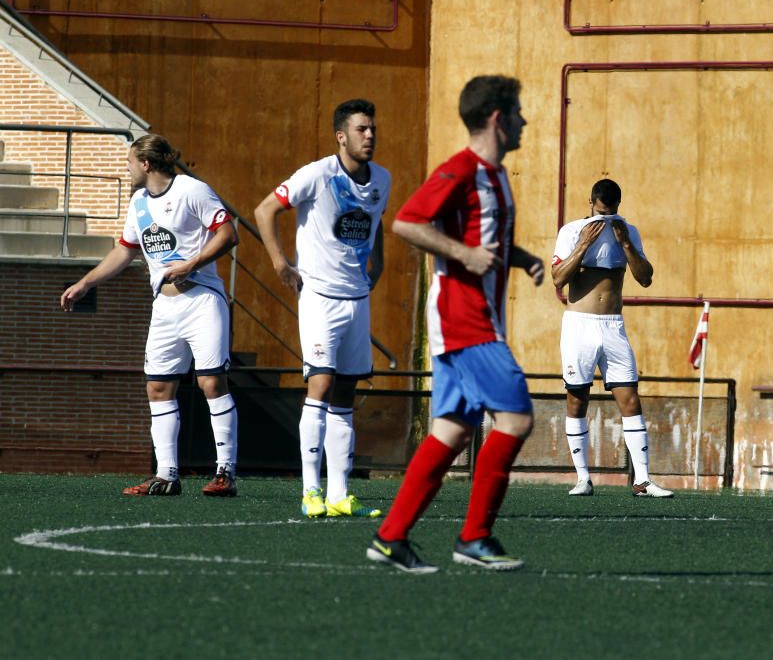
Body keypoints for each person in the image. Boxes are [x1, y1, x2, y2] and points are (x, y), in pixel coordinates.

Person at [366, 75, 544, 574]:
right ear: (497, 118)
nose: (524, 121)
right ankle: (474, 537)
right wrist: (464, 253)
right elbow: (406, 222)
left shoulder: (497, 175)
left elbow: (482, 238)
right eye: (518, 112)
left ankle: (391, 537)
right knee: (515, 419)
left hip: (479, 321)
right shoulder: (461, 169)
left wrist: (521, 257)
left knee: (452, 429)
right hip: (464, 322)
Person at [61, 134, 240, 497]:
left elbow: (228, 233)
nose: (126, 170)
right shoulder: (139, 203)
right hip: (164, 306)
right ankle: (166, 475)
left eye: (129, 162)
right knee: (158, 387)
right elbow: (124, 252)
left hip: (203, 301)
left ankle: (226, 473)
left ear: (146, 164)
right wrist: (86, 282)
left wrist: (192, 263)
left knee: (210, 384)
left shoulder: (192, 190)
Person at [254, 99, 390, 519]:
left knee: (347, 392)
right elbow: (264, 210)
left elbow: (376, 217)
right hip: (319, 298)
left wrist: (379, 264)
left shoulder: (382, 178)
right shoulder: (317, 174)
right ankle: (310, 492)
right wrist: (279, 262)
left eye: (372, 129)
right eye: (361, 129)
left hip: (357, 299)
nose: (370, 136)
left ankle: (339, 494)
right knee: (321, 385)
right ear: (341, 136)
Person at [551, 178, 674, 498]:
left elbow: (645, 279)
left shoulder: (628, 231)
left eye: (612, 212)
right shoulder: (571, 231)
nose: (606, 218)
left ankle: (643, 480)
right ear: (590, 202)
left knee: (630, 399)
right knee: (577, 400)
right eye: (601, 212)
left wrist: (626, 244)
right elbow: (558, 279)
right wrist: (583, 244)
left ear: (619, 206)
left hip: (613, 326)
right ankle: (582, 478)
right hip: (579, 325)